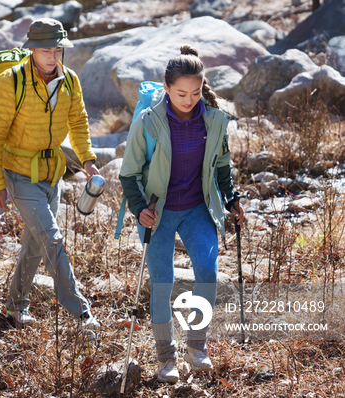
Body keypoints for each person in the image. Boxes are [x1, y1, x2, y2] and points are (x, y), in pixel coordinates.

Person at [119, 45, 245, 383]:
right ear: (166, 89)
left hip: (196, 209)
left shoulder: (215, 121)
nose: (188, 100)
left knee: (207, 272)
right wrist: (139, 208)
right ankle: (165, 359)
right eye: (180, 93)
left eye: (194, 92)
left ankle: (197, 347)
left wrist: (231, 198)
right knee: (163, 283)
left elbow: (221, 166)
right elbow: (128, 173)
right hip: (157, 213)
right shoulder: (149, 122)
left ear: (203, 86)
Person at [0, 18, 100, 329]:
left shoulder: (70, 80)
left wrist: (87, 161)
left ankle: (14, 307)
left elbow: (78, 124)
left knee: (36, 242)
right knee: (52, 239)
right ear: (31, 49)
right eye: (46, 50)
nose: (53, 56)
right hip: (20, 174)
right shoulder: (12, 81)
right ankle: (82, 313)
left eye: (58, 49)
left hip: (53, 174)